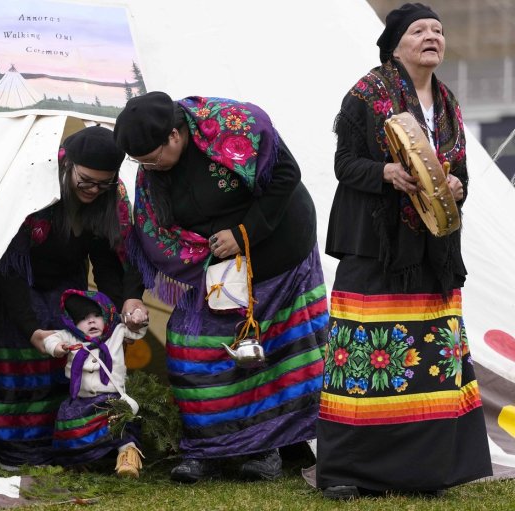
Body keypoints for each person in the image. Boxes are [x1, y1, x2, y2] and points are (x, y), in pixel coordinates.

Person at [316, 3, 492, 499]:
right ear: (395, 44)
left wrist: (458, 184)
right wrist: (386, 173)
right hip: (377, 246)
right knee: (361, 358)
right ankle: (348, 471)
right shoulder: (366, 96)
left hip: (431, 247)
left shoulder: (449, 103)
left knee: (429, 359)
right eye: (419, 30)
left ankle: (424, 470)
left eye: (438, 30)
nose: (432, 37)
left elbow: (456, 169)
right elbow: (344, 164)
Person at [114, 92, 329, 483]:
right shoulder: (152, 173)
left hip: (279, 251)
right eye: (139, 162)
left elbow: (286, 176)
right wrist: (133, 295)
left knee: (273, 351)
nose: (147, 168)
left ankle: (267, 449)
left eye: (151, 157)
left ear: (175, 136)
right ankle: (207, 448)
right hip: (214, 271)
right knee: (190, 348)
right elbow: (146, 236)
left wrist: (244, 232)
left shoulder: (233, 126)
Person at [0, 125, 148, 467]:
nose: (94, 190)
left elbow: (106, 261)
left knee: (67, 361)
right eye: (87, 180)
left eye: (104, 183)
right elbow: (10, 267)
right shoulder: (31, 189)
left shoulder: (110, 198)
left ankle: (62, 444)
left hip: (64, 288)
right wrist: (32, 329)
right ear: (68, 165)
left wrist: (114, 316)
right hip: (10, 288)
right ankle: (15, 452)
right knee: (11, 364)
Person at [34, 289, 146, 478]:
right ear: (74, 323)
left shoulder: (116, 332)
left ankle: (128, 458)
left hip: (113, 398)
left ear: (107, 317)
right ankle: (77, 461)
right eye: (84, 318)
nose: (92, 321)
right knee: (72, 428)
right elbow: (51, 338)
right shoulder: (70, 336)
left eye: (97, 316)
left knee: (122, 429)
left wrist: (136, 317)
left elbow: (136, 330)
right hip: (82, 400)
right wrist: (57, 347)